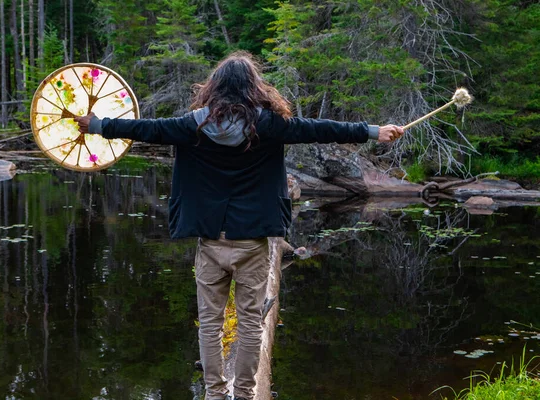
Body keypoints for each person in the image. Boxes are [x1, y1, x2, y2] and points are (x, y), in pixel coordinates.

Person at [75, 51, 404, 400]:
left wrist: (98, 125)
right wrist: (373, 131)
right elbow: (321, 129)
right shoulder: (271, 126)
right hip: (253, 240)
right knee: (250, 324)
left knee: (211, 323)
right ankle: (245, 394)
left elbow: (145, 129)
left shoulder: (193, 125)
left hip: (211, 239)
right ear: (254, 88)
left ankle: (215, 394)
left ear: (214, 88)